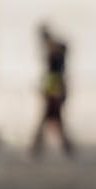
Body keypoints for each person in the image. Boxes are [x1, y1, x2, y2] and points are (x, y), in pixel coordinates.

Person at [31, 24, 73, 155]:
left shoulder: (54, 51)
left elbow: (53, 74)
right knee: (55, 121)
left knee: (48, 120)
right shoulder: (54, 50)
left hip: (54, 90)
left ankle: (36, 148)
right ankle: (66, 147)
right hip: (53, 89)